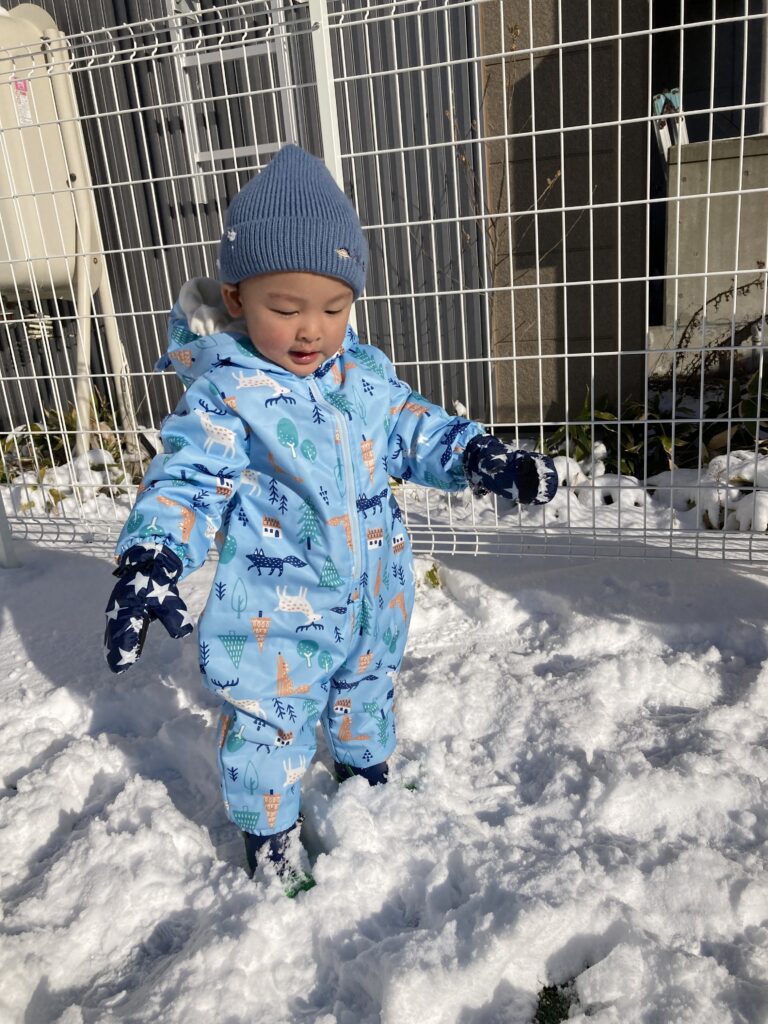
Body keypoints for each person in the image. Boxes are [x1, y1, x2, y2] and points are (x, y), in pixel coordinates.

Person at [104, 144, 557, 894]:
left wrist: (480, 456)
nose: (312, 329)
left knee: (368, 686)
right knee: (271, 720)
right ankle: (270, 842)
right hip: (275, 612)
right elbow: (188, 477)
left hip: (374, 592)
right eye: (286, 310)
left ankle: (364, 776)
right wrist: (153, 556)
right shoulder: (227, 394)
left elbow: (415, 429)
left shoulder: (363, 376)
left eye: (334, 308)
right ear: (238, 297)